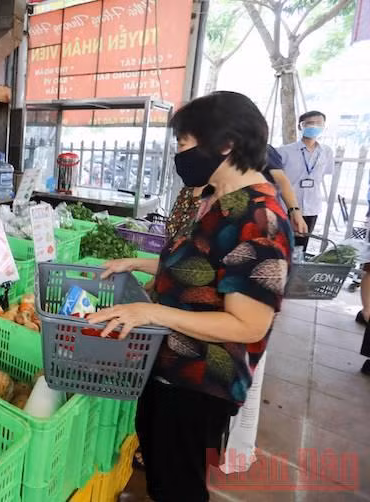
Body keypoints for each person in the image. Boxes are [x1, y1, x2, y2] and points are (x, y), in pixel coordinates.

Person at [99, 91, 292, 502]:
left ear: (224, 144)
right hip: (170, 363)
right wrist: (136, 263)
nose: (179, 155)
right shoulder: (213, 198)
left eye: (184, 144)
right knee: (158, 456)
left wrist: (153, 314)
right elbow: (199, 267)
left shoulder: (260, 220)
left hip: (203, 379)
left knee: (180, 483)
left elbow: (248, 324)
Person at [277, 111, 335, 249]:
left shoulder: (326, 152)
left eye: (318, 123)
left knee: (301, 246)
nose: (314, 126)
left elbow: (324, 173)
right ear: (300, 127)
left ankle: (297, 269)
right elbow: (278, 179)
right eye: (309, 123)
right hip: (286, 207)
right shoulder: (284, 151)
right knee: (282, 243)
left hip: (311, 207)